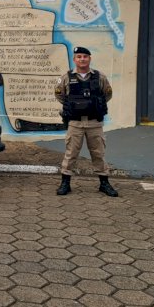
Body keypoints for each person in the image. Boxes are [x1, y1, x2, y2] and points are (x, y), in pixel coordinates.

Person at [54, 46, 118, 197]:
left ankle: (104, 183)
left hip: (94, 123)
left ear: (90, 59)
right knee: (71, 153)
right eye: (79, 56)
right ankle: (65, 183)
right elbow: (60, 95)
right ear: (74, 59)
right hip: (75, 123)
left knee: (98, 153)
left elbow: (107, 94)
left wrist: (92, 105)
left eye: (85, 56)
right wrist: (74, 106)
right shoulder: (66, 77)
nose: (82, 59)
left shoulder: (99, 77)